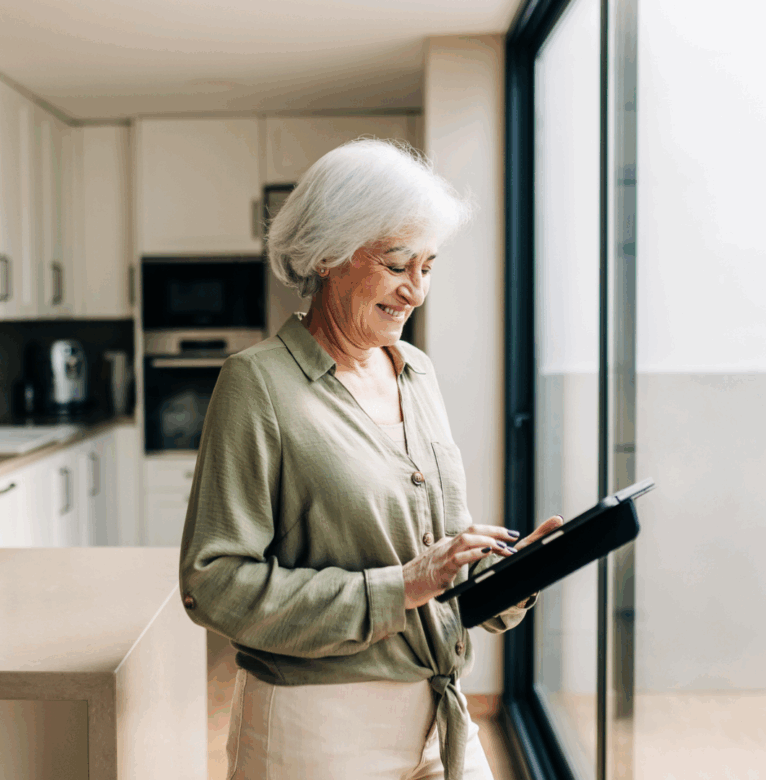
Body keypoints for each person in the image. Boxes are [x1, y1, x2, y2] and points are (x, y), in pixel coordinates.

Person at [179, 138, 562, 780]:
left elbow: (439, 560)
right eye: (396, 264)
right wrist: (401, 586)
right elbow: (212, 584)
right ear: (329, 255)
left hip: (440, 716)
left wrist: (508, 578)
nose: (416, 291)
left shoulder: (417, 372)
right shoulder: (258, 384)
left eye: (429, 266)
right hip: (317, 730)